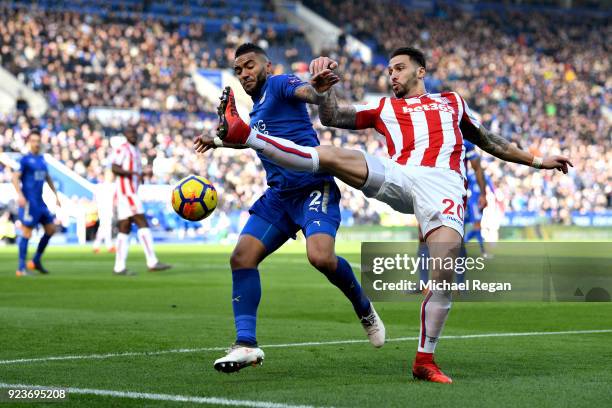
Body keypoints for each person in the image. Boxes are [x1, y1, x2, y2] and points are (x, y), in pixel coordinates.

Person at [196, 46, 572, 383]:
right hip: (399, 175)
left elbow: (490, 141)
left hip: (442, 187)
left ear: (420, 71)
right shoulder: (384, 108)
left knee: (442, 272)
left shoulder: (452, 103)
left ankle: (424, 360)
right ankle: (247, 134)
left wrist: (538, 161)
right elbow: (332, 117)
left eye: (399, 68)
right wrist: (328, 89)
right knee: (329, 153)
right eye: (389, 69)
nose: (391, 74)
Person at [201, 43, 385, 374]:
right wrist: (215, 140)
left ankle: (364, 306)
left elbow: (305, 92)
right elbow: (248, 139)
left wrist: (316, 88)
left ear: (266, 66)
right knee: (241, 258)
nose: (244, 73)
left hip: (313, 187)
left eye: (249, 65)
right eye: (238, 70)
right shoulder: (256, 111)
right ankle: (246, 345)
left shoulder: (279, 83)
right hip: (280, 196)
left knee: (321, 258)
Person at [111, 127, 171, 276]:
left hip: (130, 192)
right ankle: (152, 261)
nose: (132, 135)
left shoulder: (135, 150)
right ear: (125, 135)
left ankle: (119, 267)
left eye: (134, 133)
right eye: (129, 133)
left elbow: (135, 173)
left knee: (124, 228)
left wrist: (142, 174)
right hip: (127, 193)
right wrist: (134, 173)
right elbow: (114, 167)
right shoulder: (123, 148)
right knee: (142, 222)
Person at [12, 130, 60, 276]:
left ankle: (35, 261)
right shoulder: (25, 160)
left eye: (38, 141)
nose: (36, 143)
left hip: (40, 202)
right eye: (33, 141)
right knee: (27, 233)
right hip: (29, 202)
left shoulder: (42, 160)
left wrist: (56, 195)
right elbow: (15, 177)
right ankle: (21, 268)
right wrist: (20, 195)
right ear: (29, 142)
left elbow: (47, 177)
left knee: (51, 229)